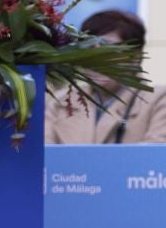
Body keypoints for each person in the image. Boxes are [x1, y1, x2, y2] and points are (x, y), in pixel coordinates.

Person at [46, 9, 159, 143]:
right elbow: (44, 157)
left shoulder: (157, 100)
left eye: (107, 48)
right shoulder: (61, 102)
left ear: (135, 57)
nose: (96, 58)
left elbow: (157, 159)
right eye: (88, 48)